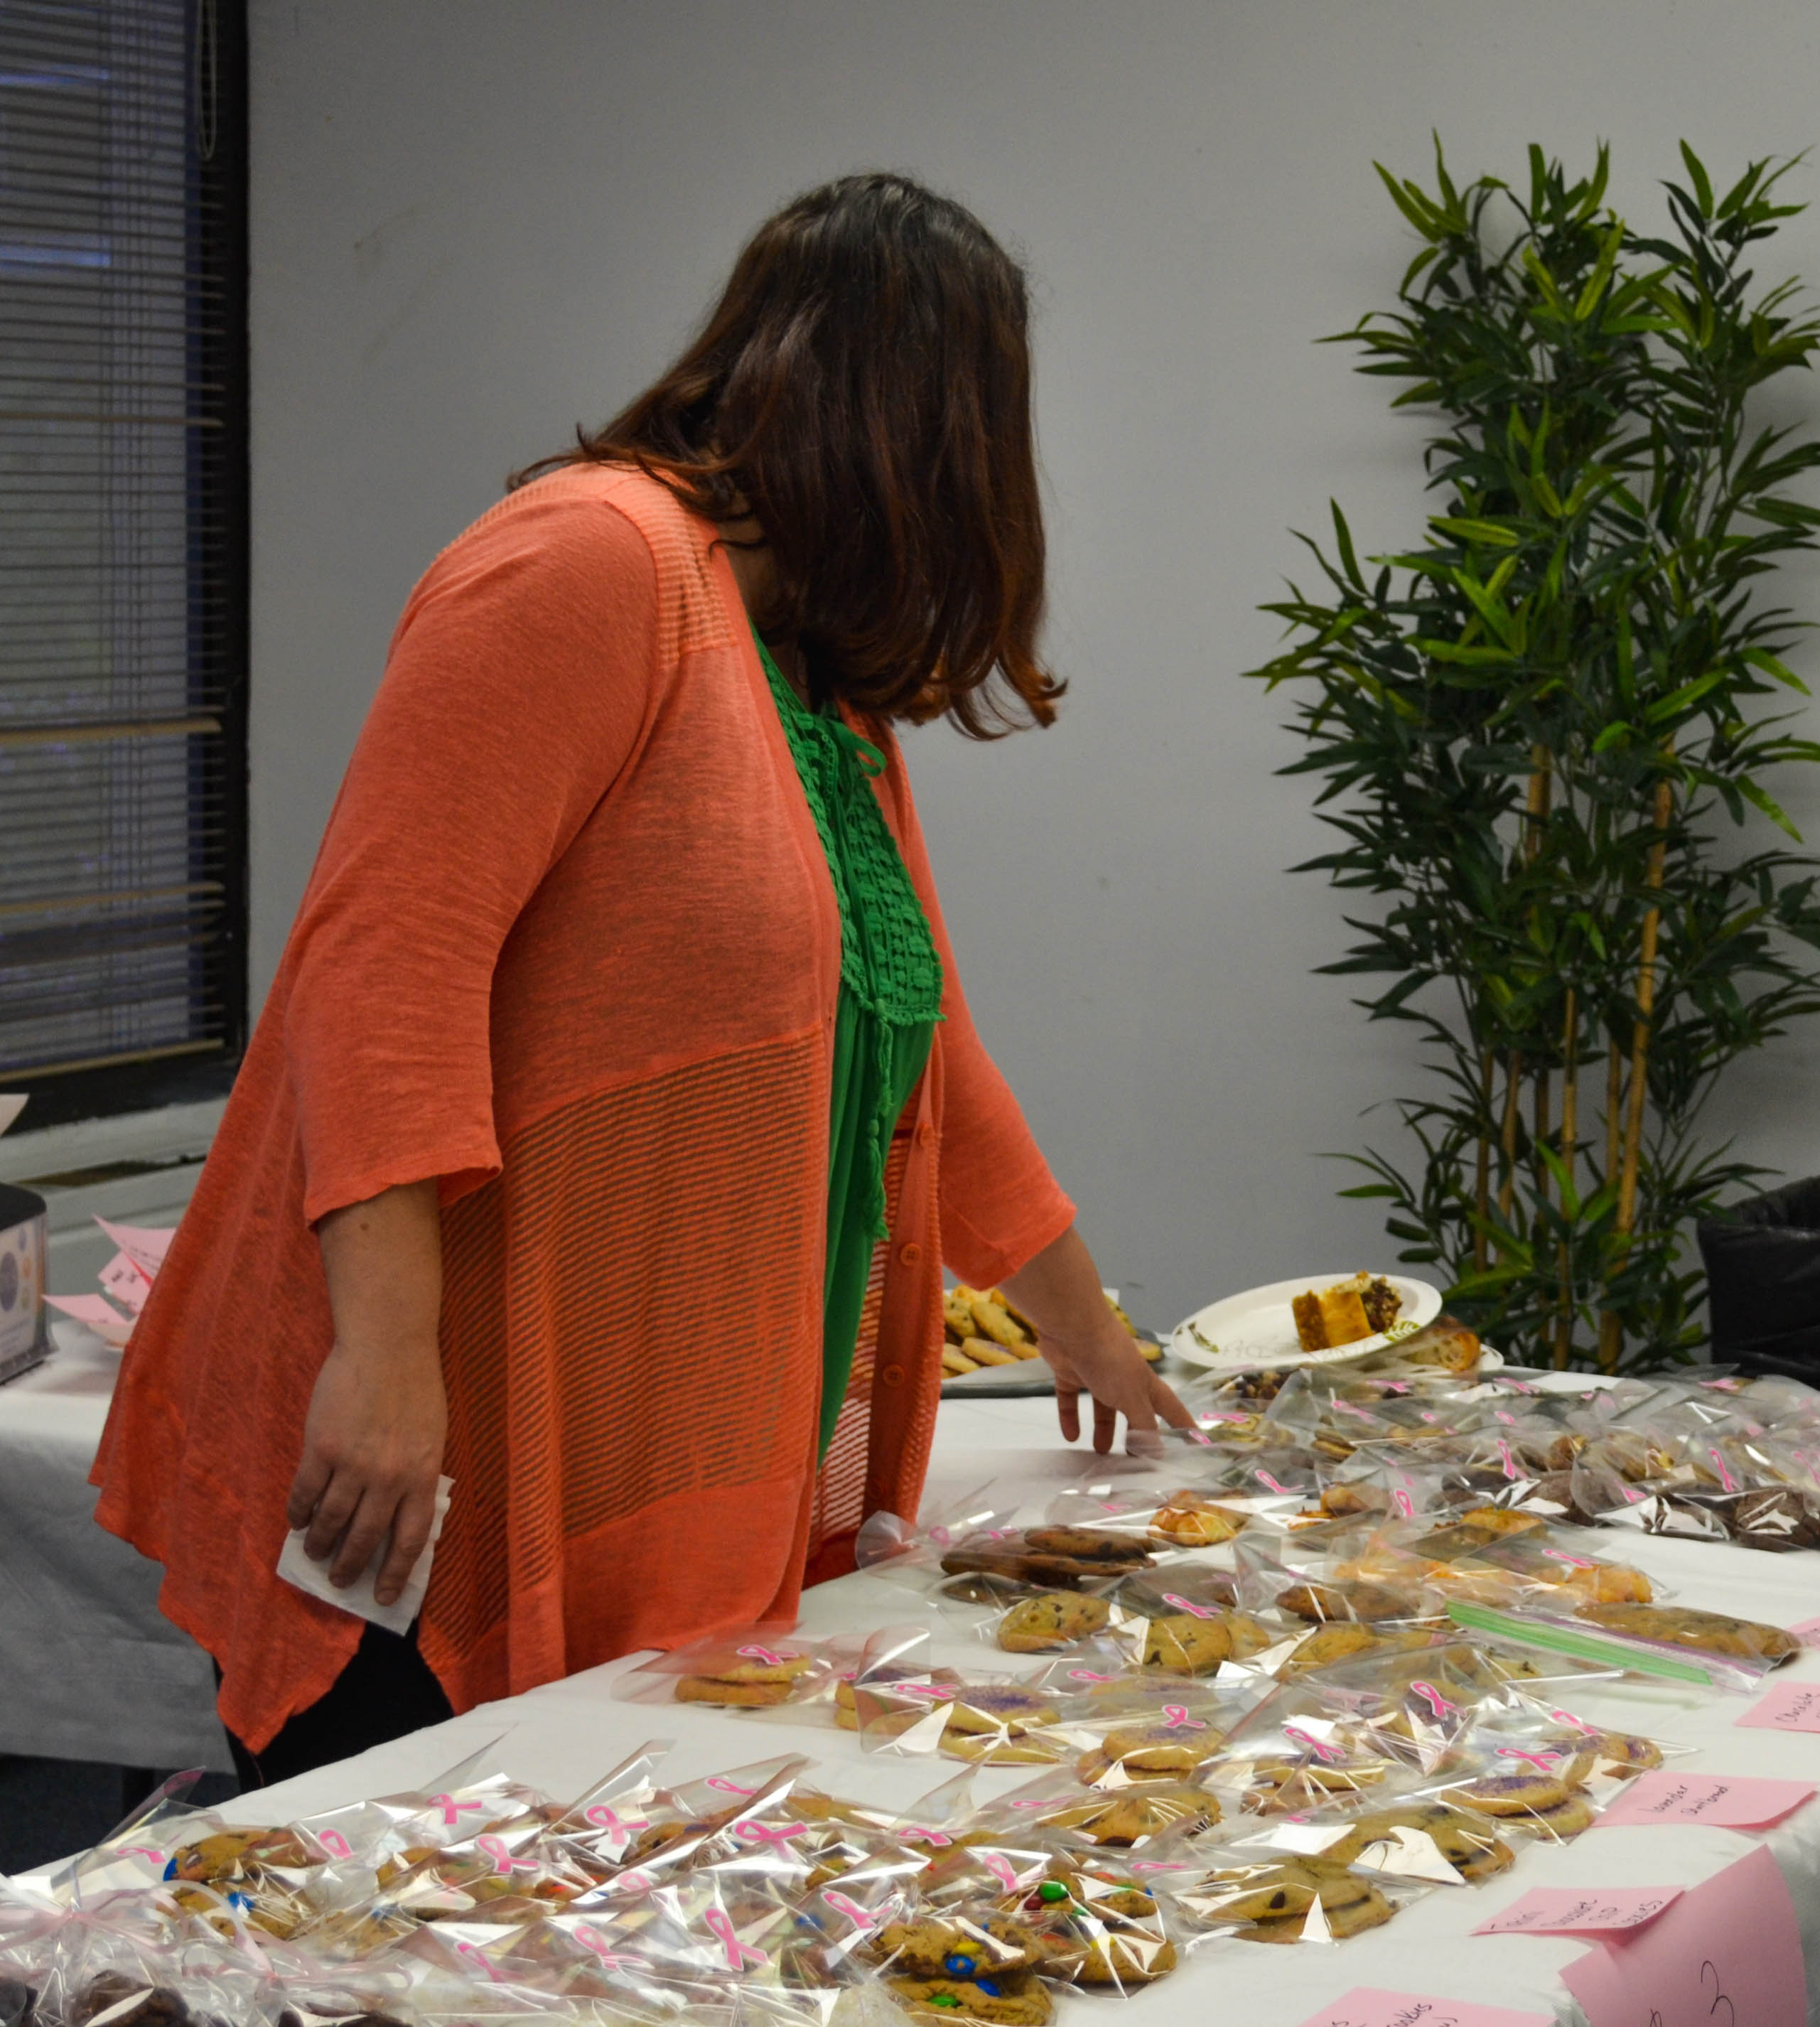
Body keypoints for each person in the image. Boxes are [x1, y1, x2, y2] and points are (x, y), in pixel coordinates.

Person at [93, 173, 1191, 1788]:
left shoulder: (818, 689)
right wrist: (386, 1356)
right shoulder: (590, 561)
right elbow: (382, 963)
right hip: (424, 1454)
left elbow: (925, 1048)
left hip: (655, 1451)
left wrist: (1088, 1332)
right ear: (915, 437)